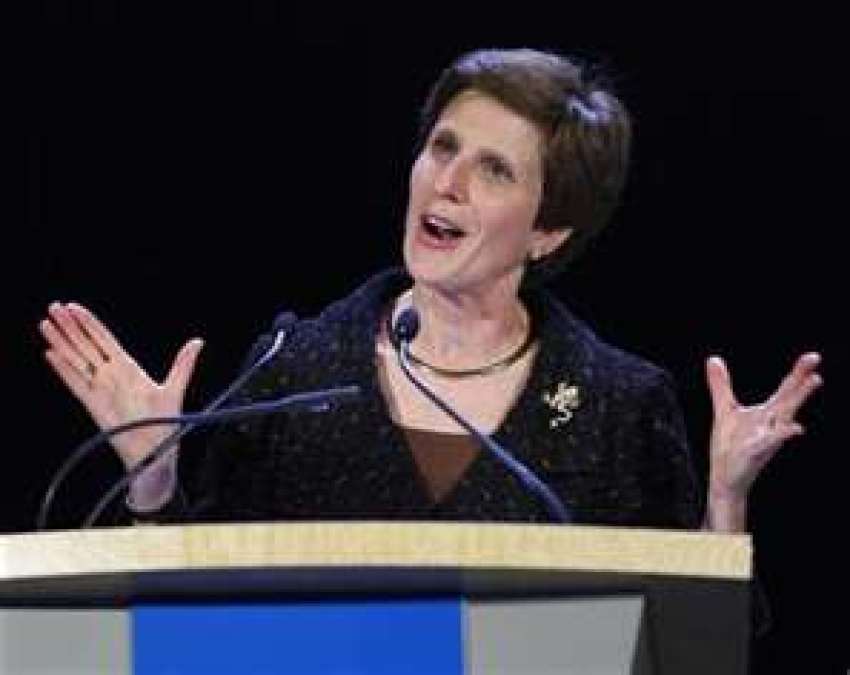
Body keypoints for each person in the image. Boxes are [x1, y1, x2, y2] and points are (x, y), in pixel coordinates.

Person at [39, 48, 821, 531]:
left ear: (550, 230)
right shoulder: (292, 368)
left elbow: (689, 644)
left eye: (494, 169)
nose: (446, 183)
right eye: (441, 147)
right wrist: (153, 475)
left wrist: (724, 504)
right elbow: (193, 622)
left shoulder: (620, 403)